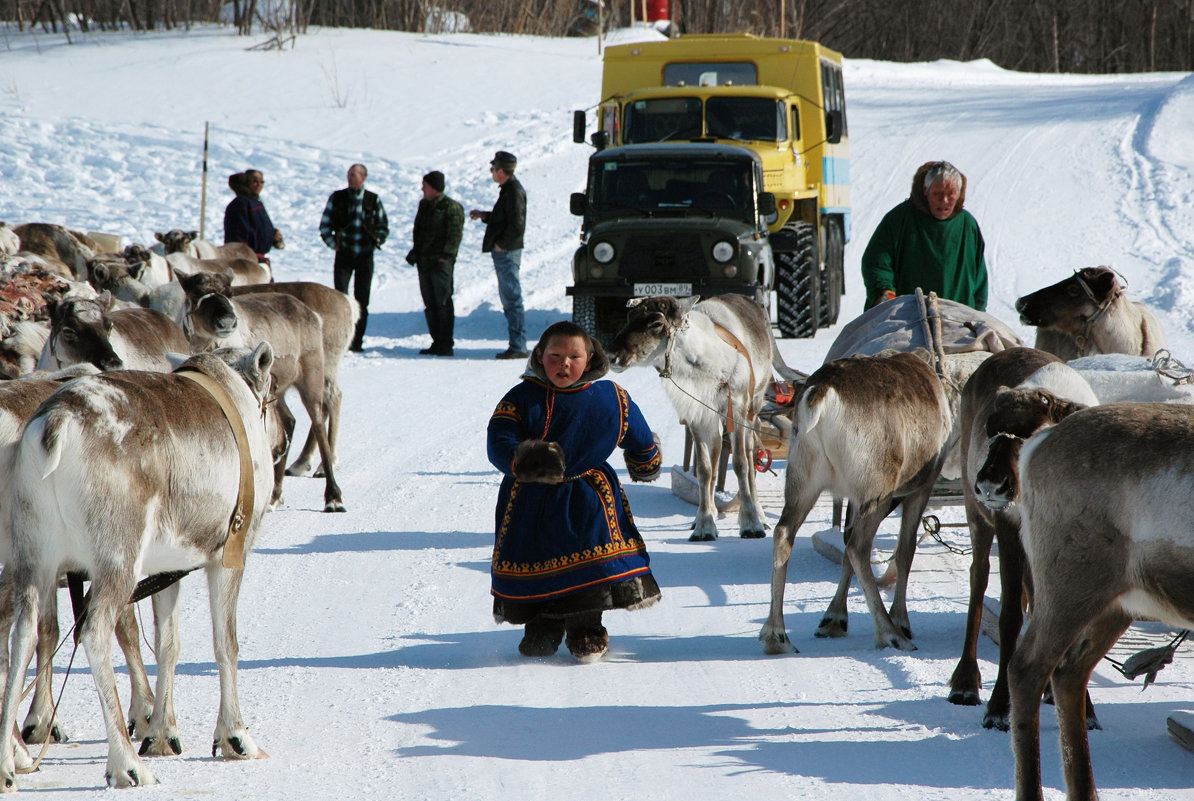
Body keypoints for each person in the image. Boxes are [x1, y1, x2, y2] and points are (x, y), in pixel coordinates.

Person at [486, 321, 662, 662]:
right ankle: (542, 625)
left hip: (588, 499)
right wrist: (526, 459)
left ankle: (587, 627)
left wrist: (646, 459)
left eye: (573, 356)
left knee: (590, 568)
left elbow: (638, 432)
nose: (563, 364)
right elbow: (498, 439)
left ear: (590, 358)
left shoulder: (610, 396)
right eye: (555, 355)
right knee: (534, 557)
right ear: (539, 355)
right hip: (531, 499)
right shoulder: (521, 397)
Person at [861, 160, 988, 311]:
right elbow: (876, 261)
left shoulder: (968, 225)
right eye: (937, 193)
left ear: (959, 193)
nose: (944, 200)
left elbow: (979, 278)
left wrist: (978, 314)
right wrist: (884, 293)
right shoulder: (900, 219)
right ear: (925, 190)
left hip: (958, 319)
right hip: (906, 317)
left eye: (951, 194)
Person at [320, 163, 389, 352]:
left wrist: (377, 241)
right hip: (344, 256)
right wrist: (335, 245)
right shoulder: (338, 198)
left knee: (362, 301)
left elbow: (383, 226)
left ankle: (357, 342)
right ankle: (340, 340)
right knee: (340, 300)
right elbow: (325, 225)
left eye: (354, 175)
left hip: (365, 257)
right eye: (349, 175)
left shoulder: (373, 200)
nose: (350, 178)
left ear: (363, 178)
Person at [469, 151, 527, 360]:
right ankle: (517, 344)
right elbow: (504, 218)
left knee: (512, 298)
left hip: (508, 253)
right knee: (509, 298)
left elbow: (517, 224)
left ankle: (518, 345)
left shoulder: (513, 192)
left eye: (493, 169)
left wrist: (502, 244)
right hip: (506, 252)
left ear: (501, 171)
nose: (492, 172)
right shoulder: (508, 191)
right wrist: (484, 216)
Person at [405, 171, 464, 357]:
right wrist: (416, 253)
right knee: (430, 304)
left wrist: (445, 257)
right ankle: (436, 341)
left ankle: (446, 343)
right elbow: (419, 232)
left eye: (425, 185)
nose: (422, 188)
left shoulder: (451, 207)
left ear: (434, 187)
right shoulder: (424, 206)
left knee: (443, 302)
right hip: (424, 263)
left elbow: (454, 236)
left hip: (440, 265)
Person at [224, 169, 284, 264]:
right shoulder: (240, 204)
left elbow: (258, 229)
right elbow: (238, 234)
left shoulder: (255, 203)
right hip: (246, 262)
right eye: (255, 181)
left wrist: (272, 235)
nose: (259, 185)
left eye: (261, 182)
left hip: (258, 261)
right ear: (247, 182)